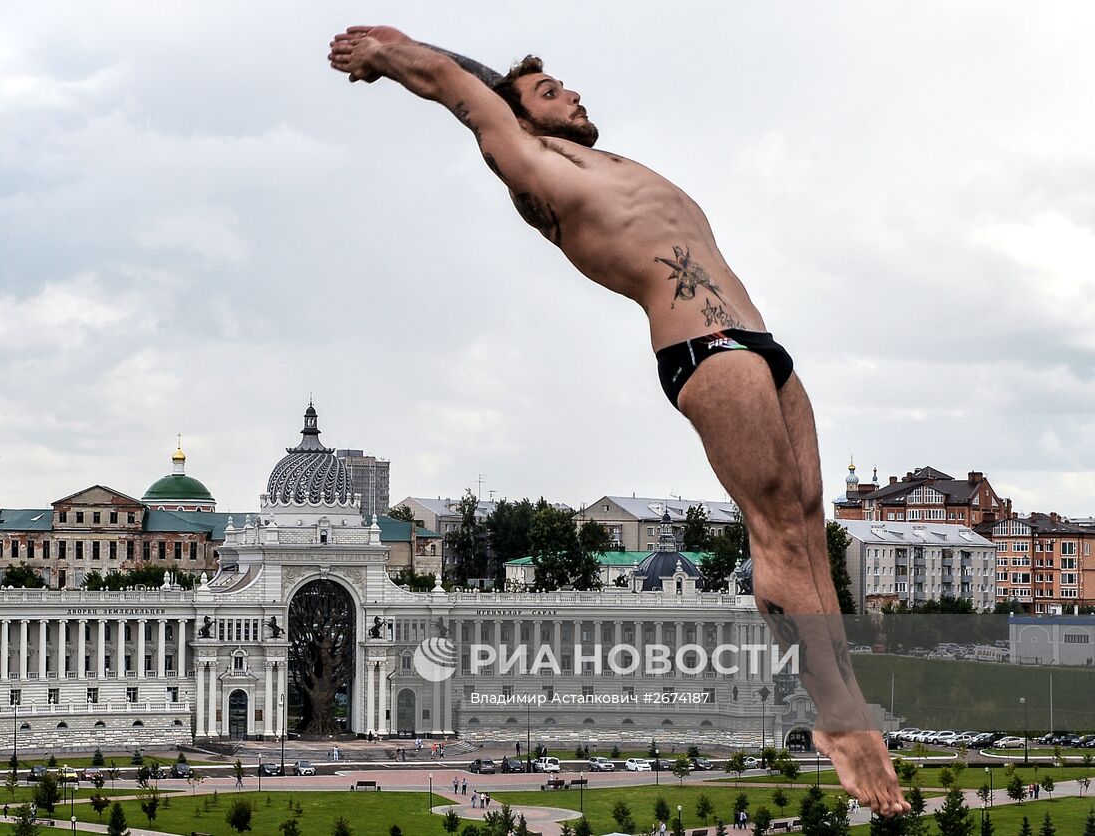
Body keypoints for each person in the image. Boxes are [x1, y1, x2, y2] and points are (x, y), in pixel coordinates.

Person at [327, 24, 907, 816]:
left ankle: (848, 698)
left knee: (810, 530)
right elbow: (460, 91)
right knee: (776, 535)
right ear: (521, 119)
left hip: (763, 346)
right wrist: (390, 52)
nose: (571, 91)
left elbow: (488, 80)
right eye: (550, 90)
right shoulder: (525, 161)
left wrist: (501, 82)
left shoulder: (594, 159)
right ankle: (839, 723)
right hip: (705, 348)